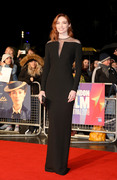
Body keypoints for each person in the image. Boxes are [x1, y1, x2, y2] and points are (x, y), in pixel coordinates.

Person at [38, 13, 82, 175]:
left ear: (69, 25)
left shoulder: (76, 44)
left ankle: (61, 166)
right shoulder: (49, 44)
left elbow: (78, 70)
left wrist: (74, 89)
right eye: (58, 23)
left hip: (66, 89)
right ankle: (51, 165)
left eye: (64, 23)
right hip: (51, 89)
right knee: (54, 127)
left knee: (63, 127)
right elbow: (47, 68)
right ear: (55, 26)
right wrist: (42, 89)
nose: (61, 25)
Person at [92, 53, 117, 140]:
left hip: (111, 97)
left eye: (109, 60)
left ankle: (110, 134)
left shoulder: (112, 70)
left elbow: (115, 82)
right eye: (107, 60)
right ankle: (98, 133)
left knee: (111, 116)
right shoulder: (97, 70)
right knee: (99, 115)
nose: (109, 61)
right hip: (101, 96)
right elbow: (93, 83)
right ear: (103, 61)